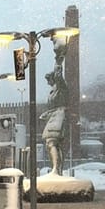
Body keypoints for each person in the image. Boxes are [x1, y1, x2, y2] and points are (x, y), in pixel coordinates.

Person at [39, 36, 69, 176]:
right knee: (52, 143)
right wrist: (45, 115)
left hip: (59, 116)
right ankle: (57, 169)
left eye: (48, 80)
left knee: (52, 142)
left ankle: (56, 169)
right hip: (54, 117)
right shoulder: (54, 90)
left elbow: (58, 73)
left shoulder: (60, 86)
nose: (48, 83)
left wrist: (58, 58)